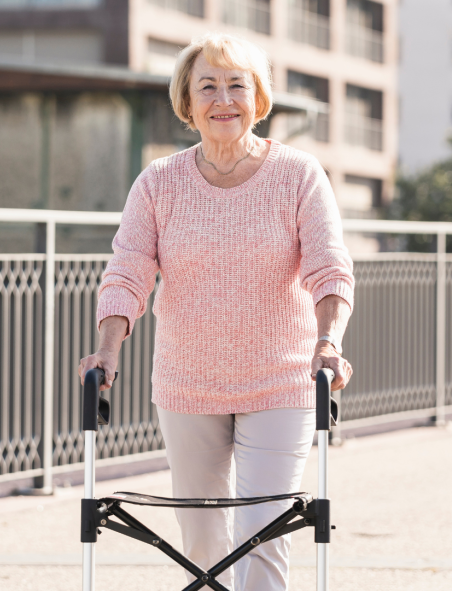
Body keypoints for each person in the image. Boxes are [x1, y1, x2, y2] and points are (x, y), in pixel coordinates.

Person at [77, 32, 354, 591]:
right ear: (187, 102)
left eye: (237, 85)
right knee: (202, 546)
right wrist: (106, 351)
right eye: (208, 86)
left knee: (265, 533)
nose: (223, 98)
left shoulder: (298, 175)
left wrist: (328, 342)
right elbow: (128, 272)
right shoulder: (158, 182)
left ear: (258, 98)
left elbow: (329, 267)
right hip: (188, 383)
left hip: (280, 380)